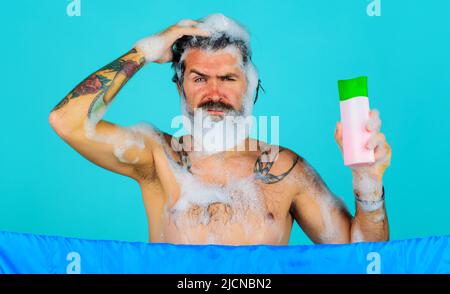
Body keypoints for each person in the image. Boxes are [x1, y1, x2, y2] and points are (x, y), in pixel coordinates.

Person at [49, 14, 391, 245]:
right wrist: (144, 51)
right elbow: (67, 121)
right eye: (199, 79)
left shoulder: (285, 171)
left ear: (251, 87)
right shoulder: (157, 158)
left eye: (228, 79)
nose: (214, 94)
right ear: (180, 86)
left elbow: (363, 257)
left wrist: (368, 183)